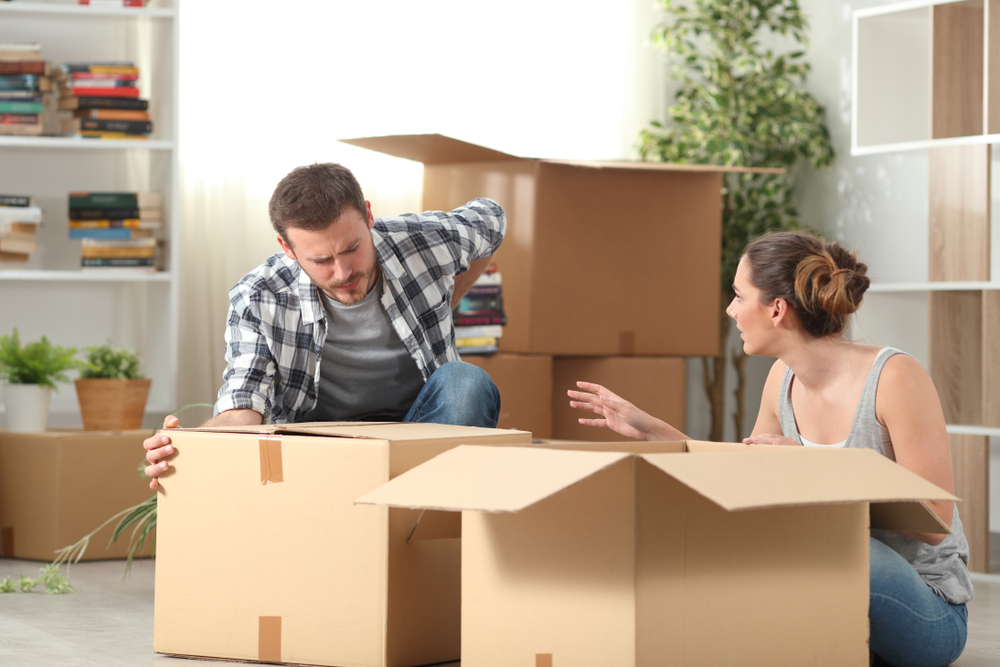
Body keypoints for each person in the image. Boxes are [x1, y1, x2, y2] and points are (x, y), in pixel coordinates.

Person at [568, 230, 972, 667]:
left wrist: (810, 467)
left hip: (928, 610)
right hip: (834, 604)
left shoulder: (894, 377)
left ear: (777, 309)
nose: (731, 309)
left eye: (739, 296)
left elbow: (936, 522)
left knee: (839, 548)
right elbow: (749, 477)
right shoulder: (782, 379)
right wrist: (655, 433)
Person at [144, 162, 505, 489]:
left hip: (421, 427)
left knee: (466, 382)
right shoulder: (260, 296)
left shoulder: (423, 241)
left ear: (368, 216)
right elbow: (242, 406)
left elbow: (493, 219)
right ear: (287, 247)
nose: (343, 272)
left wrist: (449, 295)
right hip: (318, 446)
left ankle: (430, 520)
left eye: (352, 248)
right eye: (321, 260)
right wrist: (187, 447)